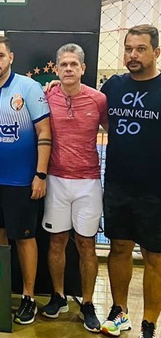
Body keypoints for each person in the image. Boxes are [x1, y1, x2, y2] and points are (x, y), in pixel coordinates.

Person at [0, 36, 51, 325]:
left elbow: (45, 133)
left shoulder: (29, 88)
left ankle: (28, 297)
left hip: (21, 181)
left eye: (0, 56)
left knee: (24, 238)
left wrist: (40, 174)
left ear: (11, 58)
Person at [39, 43, 107, 332]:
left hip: (88, 182)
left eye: (73, 65)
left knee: (87, 245)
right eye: (63, 65)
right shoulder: (47, 95)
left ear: (83, 69)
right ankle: (59, 296)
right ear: (56, 69)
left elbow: (116, 132)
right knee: (57, 242)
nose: (68, 69)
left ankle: (88, 303)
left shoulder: (99, 100)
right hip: (55, 179)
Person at [100, 24, 161, 338]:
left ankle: (149, 323)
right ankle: (119, 311)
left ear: (156, 52)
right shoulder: (113, 86)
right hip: (118, 184)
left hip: (155, 190)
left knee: (154, 256)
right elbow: (100, 118)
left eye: (140, 49)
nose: (133, 55)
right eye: (128, 48)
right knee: (119, 247)